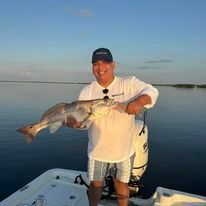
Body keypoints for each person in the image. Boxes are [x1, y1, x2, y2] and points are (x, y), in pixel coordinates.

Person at [66, 48, 159, 206]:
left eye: (105, 63)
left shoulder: (128, 83)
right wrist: (76, 124)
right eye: (95, 63)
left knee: (122, 185)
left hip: (123, 152)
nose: (100, 67)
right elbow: (85, 123)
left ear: (113, 65)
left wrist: (138, 102)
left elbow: (152, 91)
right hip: (97, 152)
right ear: (92, 67)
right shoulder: (87, 91)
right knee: (96, 185)